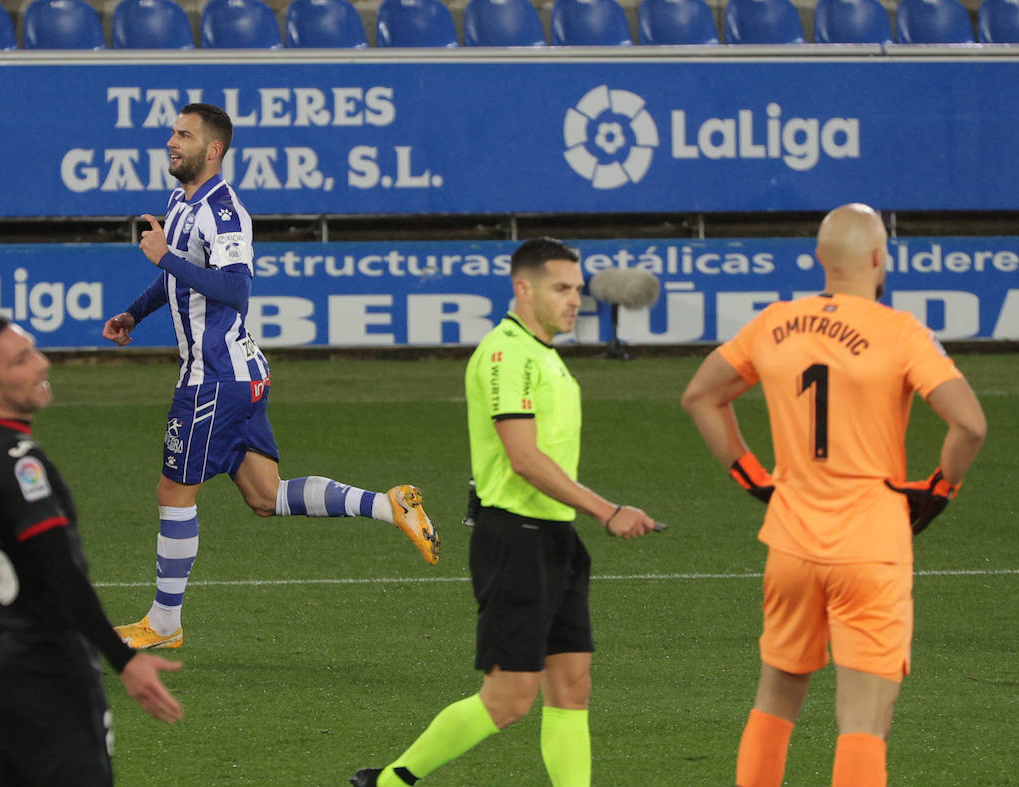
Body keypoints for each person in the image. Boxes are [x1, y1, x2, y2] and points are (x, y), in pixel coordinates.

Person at [101, 102, 440, 650]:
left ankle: (163, 624)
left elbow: (235, 289)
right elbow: (185, 282)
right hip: (236, 374)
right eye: (172, 133)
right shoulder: (180, 202)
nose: (171, 142)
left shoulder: (224, 212)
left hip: (215, 380)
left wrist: (163, 257)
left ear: (213, 150)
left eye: (183, 135)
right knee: (265, 496)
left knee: (173, 490)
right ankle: (389, 504)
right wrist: (134, 313)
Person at [680, 203, 987, 787]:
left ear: (819, 258)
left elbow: (701, 395)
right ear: (879, 258)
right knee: (863, 721)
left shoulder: (773, 322)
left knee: (775, 700)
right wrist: (940, 488)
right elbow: (969, 425)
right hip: (871, 545)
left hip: (791, 544)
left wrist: (750, 475)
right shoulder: (900, 332)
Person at [351, 238, 659, 787]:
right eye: (561, 289)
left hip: (555, 537)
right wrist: (607, 510)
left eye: (578, 291)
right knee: (509, 699)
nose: (574, 301)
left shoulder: (544, 355)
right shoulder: (505, 353)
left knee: (572, 687)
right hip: (515, 539)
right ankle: (393, 781)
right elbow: (522, 457)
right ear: (524, 288)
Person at [0, 316, 183, 784]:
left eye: (34, 350)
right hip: (50, 672)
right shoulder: (19, 462)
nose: (43, 364)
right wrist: (125, 663)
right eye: (21, 360)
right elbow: (61, 573)